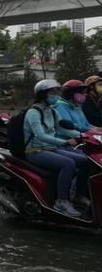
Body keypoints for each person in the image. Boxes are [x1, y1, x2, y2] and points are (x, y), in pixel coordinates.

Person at [25, 79, 91, 217]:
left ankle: (78, 196)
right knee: (68, 164)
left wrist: (84, 135)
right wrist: (64, 143)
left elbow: (63, 128)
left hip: (51, 149)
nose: (56, 95)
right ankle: (61, 201)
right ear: (43, 94)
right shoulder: (33, 112)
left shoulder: (51, 111)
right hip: (35, 151)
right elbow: (40, 135)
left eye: (57, 92)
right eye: (53, 92)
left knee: (86, 161)